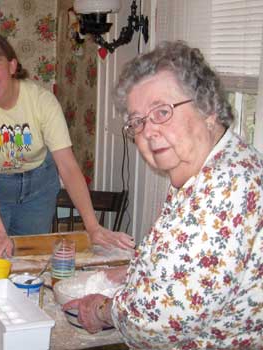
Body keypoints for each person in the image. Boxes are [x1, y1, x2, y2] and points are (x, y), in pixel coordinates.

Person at [63, 41, 263, 349]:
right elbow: (190, 267)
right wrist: (137, 272)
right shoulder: (207, 168)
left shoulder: (223, 189)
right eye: (137, 121)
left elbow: (159, 320)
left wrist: (102, 310)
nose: (148, 132)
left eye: (162, 112)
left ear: (207, 107)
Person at [0, 32, 134, 258]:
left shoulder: (41, 101)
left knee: (30, 259)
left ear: (12, 66)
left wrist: (92, 226)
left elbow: (67, 166)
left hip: (37, 189)